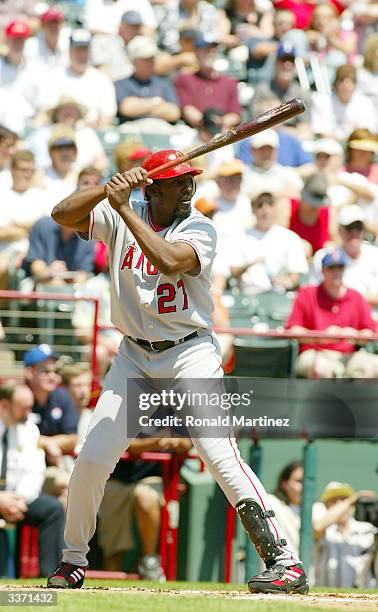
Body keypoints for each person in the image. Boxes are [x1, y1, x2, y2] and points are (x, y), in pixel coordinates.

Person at [46, 149, 309, 593]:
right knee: (92, 458)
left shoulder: (199, 226)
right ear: (154, 186)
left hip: (189, 351)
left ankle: (285, 561)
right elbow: (61, 213)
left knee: (218, 453)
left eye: (191, 180)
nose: (189, 188)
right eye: (178, 181)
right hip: (133, 354)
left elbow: (168, 260)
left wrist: (124, 207)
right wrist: (111, 186)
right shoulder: (121, 210)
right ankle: (73, 560)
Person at [0, 381, 65, 577]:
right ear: (4, 405)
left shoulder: (29, 429)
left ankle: (52, 578)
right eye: (24, 407)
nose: (29, 412)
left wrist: (15, 500)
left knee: (53, 509)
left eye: (31, 406)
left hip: (18, 500)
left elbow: (35, 471)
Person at [286, 248, 378, 378]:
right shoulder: (308, 294)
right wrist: (321, 337)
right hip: (316, 352)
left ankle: (356, 398)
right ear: (323, 271)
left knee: (373, 365)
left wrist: (355, 335)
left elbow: (369, 332)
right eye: (332, 268)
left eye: (340, 268)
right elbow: (293, 331)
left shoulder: (355, 296)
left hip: (348, 355)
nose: (336, 272)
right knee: (322, 368)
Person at [24, 344, 79, 503]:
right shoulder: (18, 396)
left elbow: (72, 439)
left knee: (72, 492)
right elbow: (16, 438)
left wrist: (46, 442)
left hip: (50, 468)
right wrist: (45, 443)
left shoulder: (62, 396)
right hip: (19, 469)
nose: (53, 376)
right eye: (45, 371)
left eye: (55, 371)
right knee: (68, 485)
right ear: (29, 372)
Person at [230, 190, 308, 294]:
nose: (265, 209)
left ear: (275, 208)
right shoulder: (240, 237)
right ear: (253, 209)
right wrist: (250, 265)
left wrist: (286, 281)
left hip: (278, 296)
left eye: (270, 204)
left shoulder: (290, 238)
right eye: (260, 205)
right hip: (247, 295)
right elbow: (233, 271)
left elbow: (296, 276)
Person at [312, 481, 377, 588]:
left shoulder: (367, 529)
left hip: (363, 596)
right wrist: (351, 499)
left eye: (343, 499)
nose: (339, 504)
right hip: (325, 597)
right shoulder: (324, 529)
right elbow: (317, 528)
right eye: (334, 501)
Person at [174, 35, 241, 130]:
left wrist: (222, 122)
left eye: (213, 49)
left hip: (223, 132)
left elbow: (235, 113)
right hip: (196, 131)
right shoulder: (185, 79)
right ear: (196, 53)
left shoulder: (229, 82)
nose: (210, 52)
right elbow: (187, 109)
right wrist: (206, 122)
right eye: (206, 49)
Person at [115, 36, 181, 126]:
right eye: (146, 59)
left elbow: (174, 113)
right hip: (132, 131)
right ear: (135, 61)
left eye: (152, 58)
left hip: (161, 130)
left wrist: (139, 108)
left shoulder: (164, 83)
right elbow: (127, 108)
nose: (151, 62)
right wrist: (157, 102)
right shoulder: (122, 84)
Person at [22, 214, 95, 288]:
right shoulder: (43, 225)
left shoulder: (87, 236)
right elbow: (35, 265)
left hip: (71, 288)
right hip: (38, 282)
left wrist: (70, 279)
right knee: (54, 283)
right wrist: (49, 271)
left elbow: (83, 274)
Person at [311, 64, 377, 140]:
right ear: (335, 83)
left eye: (350, 81)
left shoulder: (365, 103)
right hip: (328, 143)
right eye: (342, 80)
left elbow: (366, 132)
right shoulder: (321, 101)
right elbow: (319, 130)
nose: (346, 85)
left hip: (355, 146)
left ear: (355, 84)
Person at [268, 460, 304, 558]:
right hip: (278, 570)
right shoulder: (272, 503)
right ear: (284, 483)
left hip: (306, 571)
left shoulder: (316, 508)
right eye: (299, 481)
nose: (303, 486)